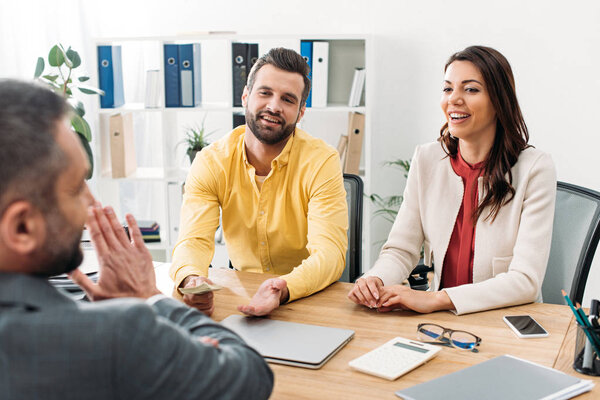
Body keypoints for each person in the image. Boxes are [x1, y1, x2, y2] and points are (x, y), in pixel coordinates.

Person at [0, 79, 273, 399]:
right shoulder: (113, 335)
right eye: (76, 188)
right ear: (21, 228)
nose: (91, 202)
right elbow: (249, 377)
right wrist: (150, 298)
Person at [348, 45, 557, 315]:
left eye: (470, 89)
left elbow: (525, 281)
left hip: (503, 319)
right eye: (448, 89)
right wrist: (375, 280)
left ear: (499, 100)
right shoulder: (427, 159)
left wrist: (437, 299)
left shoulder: (535, 168)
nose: (454, 100)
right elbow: (401, 249)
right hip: (441, 321)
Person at [170, 47, 348, 317]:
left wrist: (283, 287)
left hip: (306, 298)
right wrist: (191, 280)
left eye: (288, 99)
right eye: (265, 93)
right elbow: (193, 240)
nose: (274, 106)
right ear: (245, 96)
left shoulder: (321, 161)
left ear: (300, 113)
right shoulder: (211, 161)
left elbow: (329, 254)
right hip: (244, 295)